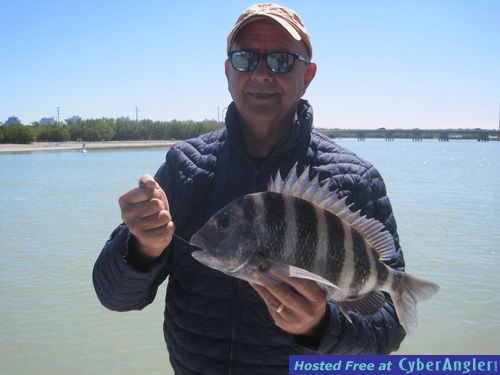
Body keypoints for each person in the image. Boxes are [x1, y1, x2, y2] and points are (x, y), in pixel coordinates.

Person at [93, 3, 406, 374]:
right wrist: (142, 247)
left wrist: (321, 326)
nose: (261, 73)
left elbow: (386, 336)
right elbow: (114, 297)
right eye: (245, 58)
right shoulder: (184, 166)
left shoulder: (355, 179)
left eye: (281, 60)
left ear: (308, 75)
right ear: (228, 72)